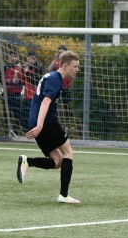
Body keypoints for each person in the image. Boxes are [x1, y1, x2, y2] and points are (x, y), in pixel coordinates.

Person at [16, 50, 81, 204]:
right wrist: (40, 125)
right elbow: (45, 102)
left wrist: (37, 124)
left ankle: (28, 162)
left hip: (36, 121)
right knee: (69, 153)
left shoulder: (50, 76)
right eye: (75, 66)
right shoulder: (55, 79)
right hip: (46, 121)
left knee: (57, 161)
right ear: (65, 66)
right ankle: (64, 195)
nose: (77, 69)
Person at [4, 50, 26, 134]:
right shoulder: (6, 67)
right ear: (9, 57)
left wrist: (18, 81)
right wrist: (8, 81)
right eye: (12, 56)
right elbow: (1, 79)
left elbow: (24, 80)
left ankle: (16, 131)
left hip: (17, 92)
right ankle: (7, 131)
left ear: (18, 57)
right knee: (7, 112)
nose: (13, 58)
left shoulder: (21, 68)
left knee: (17, 113)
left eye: (15, 56)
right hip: (7, 93)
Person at [21, 50, 42, 129]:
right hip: (26, 96)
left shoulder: (38, 69)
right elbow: (22, 81)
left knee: (33, 116)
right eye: (30, 58)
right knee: (23, 116)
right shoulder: (25, 68)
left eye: (33, 59)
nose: (31, 61)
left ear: (36, 59)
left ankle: (34, 131)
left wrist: (27, 72)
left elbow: (34, 82)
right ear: (27, 58)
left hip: (34, 97)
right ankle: (28, 130)